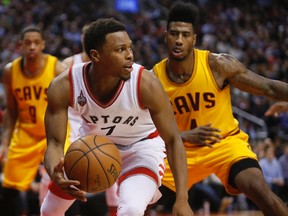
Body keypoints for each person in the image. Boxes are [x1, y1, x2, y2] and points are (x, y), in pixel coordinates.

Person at [40, 18, 193, 216]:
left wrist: (182, 199)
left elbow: (173, 140)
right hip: (90, 148)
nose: (130, 55)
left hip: (141, 149)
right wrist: (55, 172)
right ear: (96, 55)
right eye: (120, 50)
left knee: (131, 209)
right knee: (49, 210)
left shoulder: (146, 84)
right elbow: (54, 142)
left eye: (130, 48)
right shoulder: (64, 85)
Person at [151, 1, 288, 215]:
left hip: (225, 144)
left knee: (259, 189)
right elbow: (144, 132)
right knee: (139, 202)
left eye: (185, 35)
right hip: (179, 150)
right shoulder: (153, 79)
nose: (179, 40)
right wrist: (185, 135)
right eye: (174, 34)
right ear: (165, 36)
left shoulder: (216, 65)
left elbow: (268, 87)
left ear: (194, 39)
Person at [0, 25, 68, 216]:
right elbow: (11, 111)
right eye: (27, 43)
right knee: (9, 188)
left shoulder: (57, 67)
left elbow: (70, 105)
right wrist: (5, 143)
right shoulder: (10, 71)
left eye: (36, 43)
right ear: (20, 45)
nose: (32, 47)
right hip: (26, 133)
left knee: (66, 183)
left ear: (43, 45)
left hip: (55, 135)